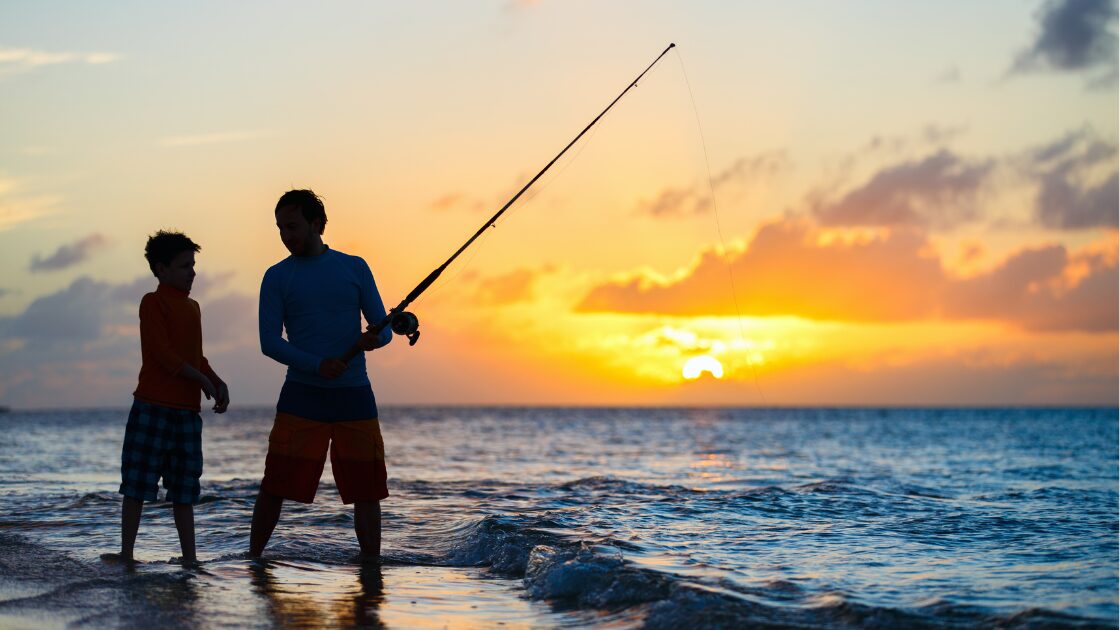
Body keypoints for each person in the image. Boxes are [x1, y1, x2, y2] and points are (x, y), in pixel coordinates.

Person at [250, 189, 393, 561]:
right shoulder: (277, 276)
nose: (286, 235)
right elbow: (269, 342)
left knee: (367, 491)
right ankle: (253, 561)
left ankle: (371, 568)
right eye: (280, 228)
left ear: (318, 224)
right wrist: (316, 365)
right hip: (302, 394)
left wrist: (375, 339)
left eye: (293, 226)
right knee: (275, 485)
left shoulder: (354, 267)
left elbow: (385, 328)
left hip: (354, 395)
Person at [113, 230, 230, 566]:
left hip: (186, 414)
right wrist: (200, 378)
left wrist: (217, 380)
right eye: (183, 266)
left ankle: (190, 558)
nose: (191, 272)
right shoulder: (153, 303)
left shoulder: (193, 307)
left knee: (184, 489)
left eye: (193, 265)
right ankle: (127, 553)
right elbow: (162, 353)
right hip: (152, 406)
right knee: (137, 484)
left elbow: (196, 357)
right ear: (161, 269)